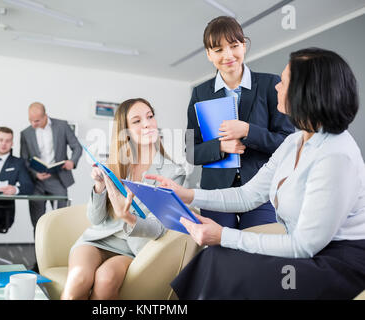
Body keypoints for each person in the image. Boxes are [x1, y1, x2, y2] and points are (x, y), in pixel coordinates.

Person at [147, 48, 365, 299]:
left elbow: (303, 246)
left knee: (230, 270)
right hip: (308, 253)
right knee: (214, 256)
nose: (276, 87)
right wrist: (186, 195)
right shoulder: (293, 142)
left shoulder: (336, 155)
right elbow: (247, 195)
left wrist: (224, 236)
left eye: (284, 81)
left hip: (337, 263)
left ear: (306, 91)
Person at [61, 98, 186, 300]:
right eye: (136, 121)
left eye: (150, 116)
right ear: (125, 130)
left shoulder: (173, 173)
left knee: (106, 280)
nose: (147, 124)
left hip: (132, 247)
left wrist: (127, 216)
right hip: (98, 239)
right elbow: (95, 220)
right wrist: (99, 187)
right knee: (78, 280)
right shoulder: (115, 165)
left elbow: (159, 228)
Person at [186, 16, 294, 229]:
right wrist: (220, 147)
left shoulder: (270, 84)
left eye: (234, 46)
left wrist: (248, 130)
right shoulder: (200, 93)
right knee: (220, 253)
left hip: (261, 189)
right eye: (218, 50)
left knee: (256, 253)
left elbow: (287, 143)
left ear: (244, 46)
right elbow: (190, 151)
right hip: (215, 192)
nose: (228, 55)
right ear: (208, 54)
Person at [20, 102, 83, 235]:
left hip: (58, 179)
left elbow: (77, 147)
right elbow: (24, 160)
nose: (33, 124)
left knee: (61, 220)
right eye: (30, 120)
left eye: (36, 120)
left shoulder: (62, 126)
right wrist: (35, 174)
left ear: (45, 116)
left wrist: (72, 161)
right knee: (37, 224)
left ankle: (57, 252)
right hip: (36, 182)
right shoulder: (25, 133)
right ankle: (39, 254)